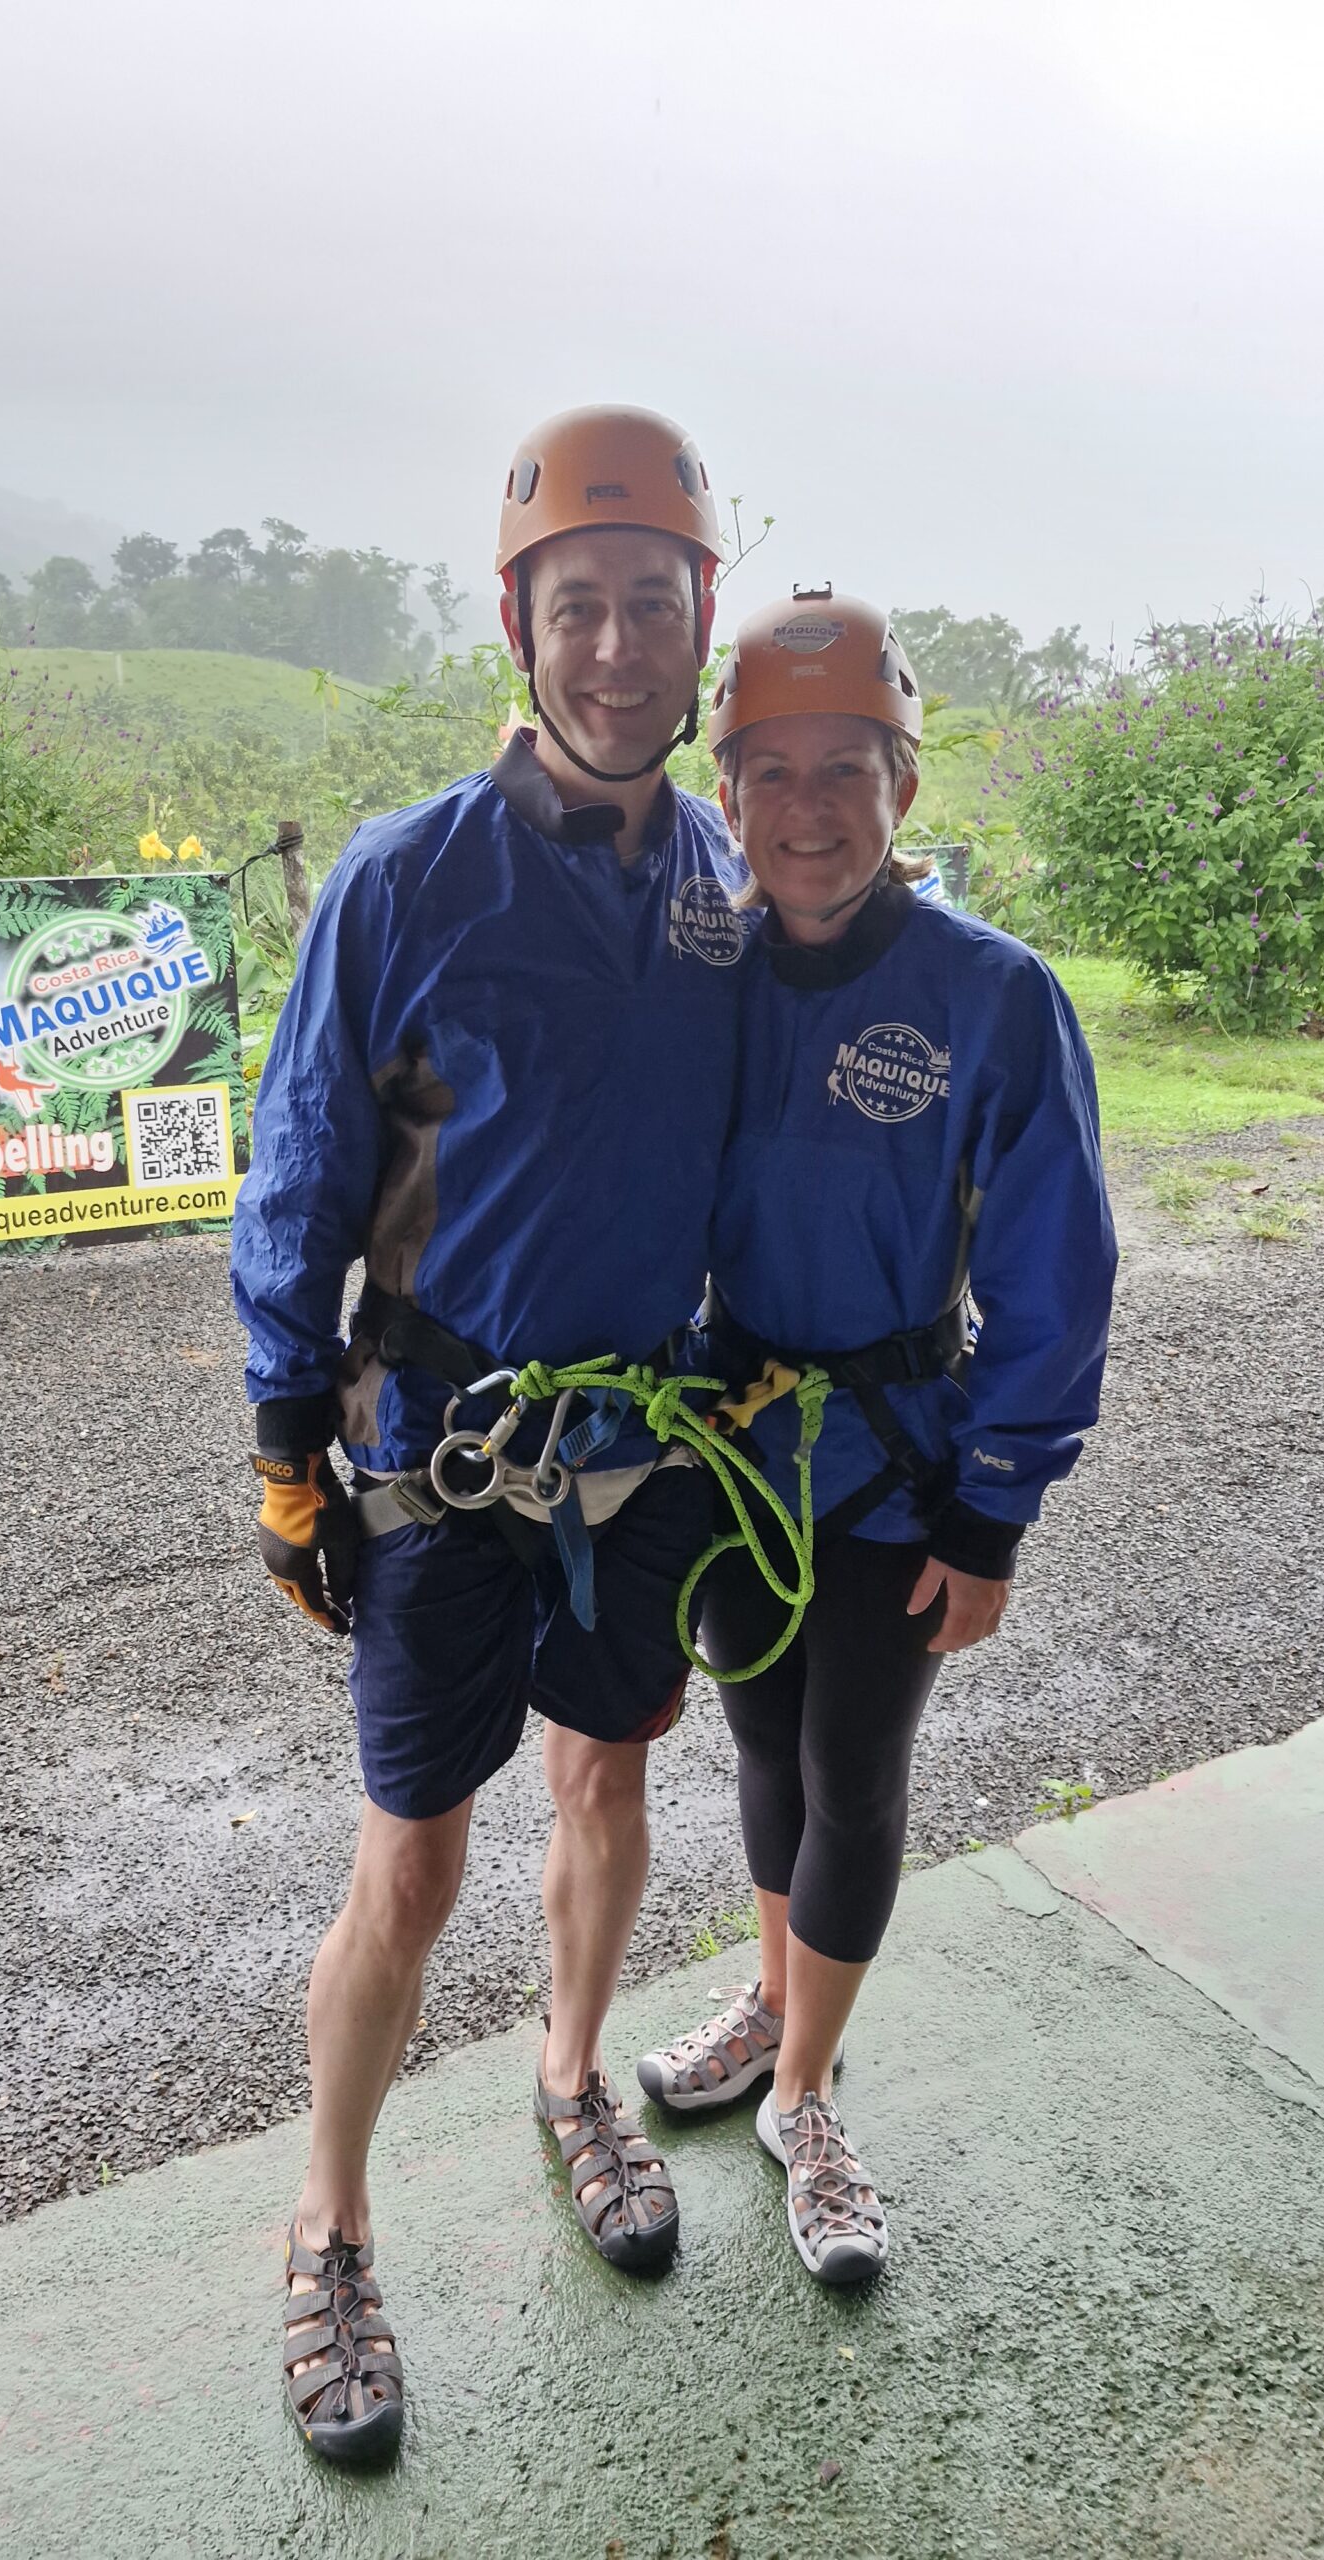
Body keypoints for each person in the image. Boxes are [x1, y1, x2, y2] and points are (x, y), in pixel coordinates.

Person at [231, 406, 751, 2462]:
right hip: (442, 1438)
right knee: (414, 1857)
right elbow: (296, 1171)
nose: (614, 647)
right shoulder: (407, 878)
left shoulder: (725, 876)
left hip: (644, 1441)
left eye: (650, 604)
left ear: (699, 618)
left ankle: (570, 2073)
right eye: (576, 607)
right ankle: (329, 2218)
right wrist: (288, 1435)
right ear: (515, 624)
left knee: (611, 1782)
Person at [636, 588, 1116, 2287]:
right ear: (729, 795)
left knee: (853, 1770)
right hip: (729, 1445)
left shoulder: (993, 997)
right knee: (763, 1751)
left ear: (904, 785)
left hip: (899, 1459)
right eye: (769, 773)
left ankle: (811, 2096)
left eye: (848, 767)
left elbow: (1058, 1260)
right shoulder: (700, 976)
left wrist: (993, 1507)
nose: (808, 808)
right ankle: (775, 2003)